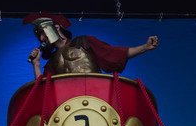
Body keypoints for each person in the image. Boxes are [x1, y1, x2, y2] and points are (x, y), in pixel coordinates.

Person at [24, 11, 159, 78]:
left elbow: (115, 54)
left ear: (57, 28)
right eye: (39, 36)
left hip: (94, 98)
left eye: (43, 32)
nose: (41, 38)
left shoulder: (84, 42)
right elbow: (44, 90)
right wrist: (36, 64)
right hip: (67, 106)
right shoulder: (51, 62)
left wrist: (144, 47)